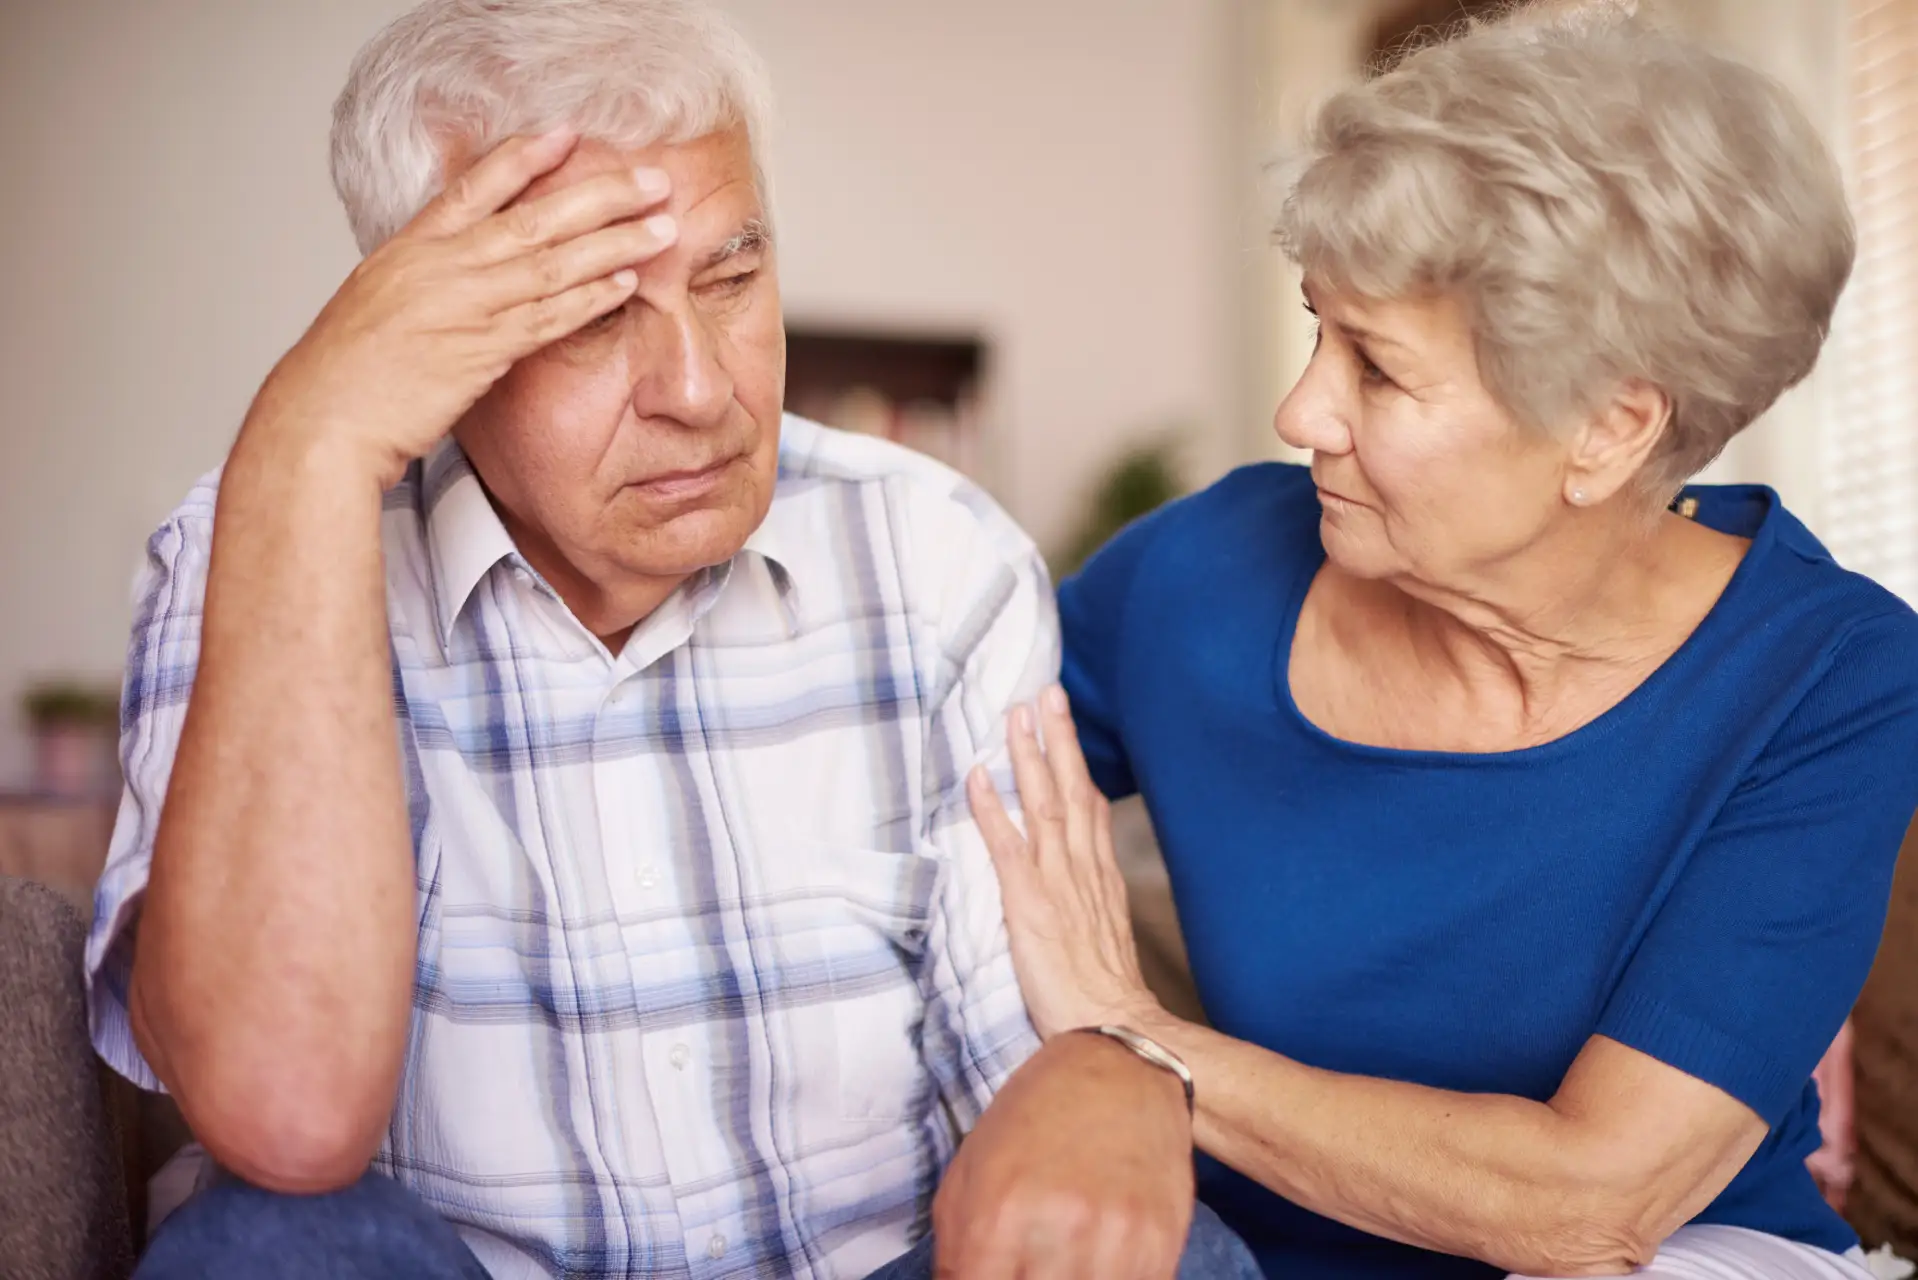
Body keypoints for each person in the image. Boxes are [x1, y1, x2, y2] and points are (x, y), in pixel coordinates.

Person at [81, 2, 1260, 1277]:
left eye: (731, 279)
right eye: (592, 314)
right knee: (262, 1243)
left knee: (1162, 1246)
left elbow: (1032, 1101)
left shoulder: (934, 553)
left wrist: (1104, 1076)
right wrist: (312, 440)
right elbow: (284, 1114)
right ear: (412, 326)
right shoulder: (254, 541)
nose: (700, 391)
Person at [965, 4, 1918, 1279]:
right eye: (1317, 327)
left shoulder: (1827, 677)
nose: (1298, 410)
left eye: (1377, 367)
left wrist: (1133, 1036)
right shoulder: (1198, 573)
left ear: (1608, 428)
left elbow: (1595, 1201)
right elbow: (918, 779)